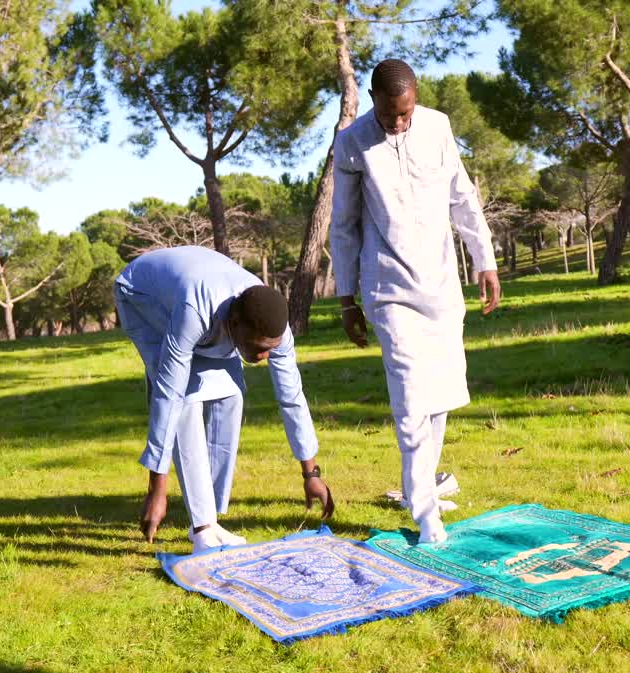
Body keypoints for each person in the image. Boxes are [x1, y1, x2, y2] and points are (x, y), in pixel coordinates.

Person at [329, 58, 501, 544]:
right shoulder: (352, 142)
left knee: (440, 394)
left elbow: (463, 197)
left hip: (442, 284)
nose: (397, 123)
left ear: (415, 98)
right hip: (387, 288)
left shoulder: (439, 128)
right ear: (373, 100)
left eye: (405, 113)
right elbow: (343, 225)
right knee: (409, 395)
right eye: (389, 115)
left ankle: (419, 485)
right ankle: (425, 512)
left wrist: (483, 259)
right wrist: (346, 297)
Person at [114, 246, 334, 552]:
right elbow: (168, 392)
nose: (264, 356)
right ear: (234, 326)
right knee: (186, 402)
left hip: (205, 301)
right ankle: (202, 527)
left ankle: (210, 520)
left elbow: (291, 395)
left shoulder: (275, 331)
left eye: (270, 348)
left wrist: (310, 473)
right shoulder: (196, 311)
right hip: (142, 297)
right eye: (258, 348)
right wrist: (157, 489)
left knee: (231, 396)